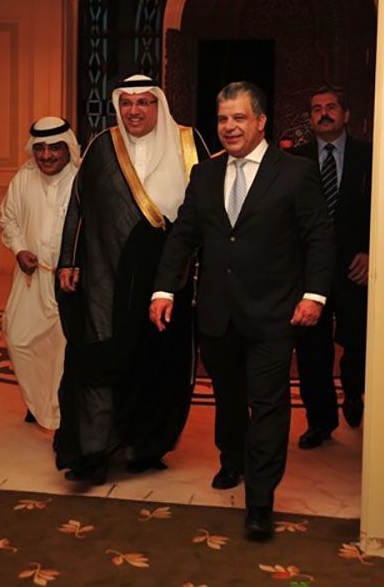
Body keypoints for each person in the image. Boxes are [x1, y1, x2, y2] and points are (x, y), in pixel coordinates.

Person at [150, 81, 334, 540]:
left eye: (238, 118)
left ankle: (261, 500)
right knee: (229, 398)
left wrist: (315, 295)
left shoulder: (295, 173)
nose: (229, 127)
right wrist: (164, 290)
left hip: (275, 314)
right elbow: (184, 236)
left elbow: (319, 239)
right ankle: (231, 460)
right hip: (216, 312)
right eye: (222, 119)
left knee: (268, 403)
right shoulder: (205, 176)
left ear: (260, 122)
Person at [55, 74, 209, 485]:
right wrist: (69, 259)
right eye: (127, 103)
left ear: (159, 105)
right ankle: (93, 449)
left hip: (169, 273)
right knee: (102, 352)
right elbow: (79, 204)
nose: (135, 110)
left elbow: (211, 210)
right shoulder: (103, 145)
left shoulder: (189, 143)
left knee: (161, 360)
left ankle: (147, 445)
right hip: (108, 273)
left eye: (144, 102)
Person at [291, 86, 372, 449]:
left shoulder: (370, 157)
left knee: (357, 342)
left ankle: (354, 395)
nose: (323, 114)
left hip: (356, 269)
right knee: (311, 350)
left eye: (331, 107)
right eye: (316, 109)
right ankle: (319, 421)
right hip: (308, 273)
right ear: (310, 118)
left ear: (346, 114)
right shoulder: (294, 162)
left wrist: (373, 252)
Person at [0, 117, 80, 431]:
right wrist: (19, 249)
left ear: (67, 148)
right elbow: (8, 219)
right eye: (40, 148)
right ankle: (37, 400)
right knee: (19, 338)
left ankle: (58, 413)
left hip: (69, 281)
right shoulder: (23, 178)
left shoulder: (81, 179)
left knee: (62, 347)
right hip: (31, 277)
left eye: (54, 147)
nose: (46, 155)